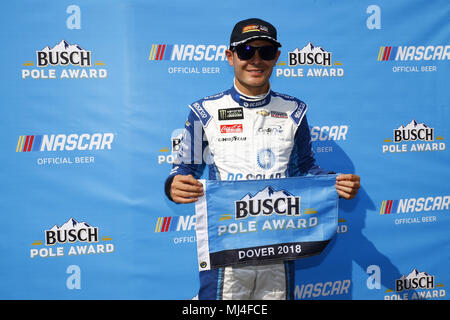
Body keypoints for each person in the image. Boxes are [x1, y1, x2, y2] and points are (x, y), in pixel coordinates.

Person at [164, 18, 360, 300]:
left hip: (277, 245)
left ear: (276, 57)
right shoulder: (204, 111)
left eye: (265, 52)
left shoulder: (295, 111)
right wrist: (173, 185)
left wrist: (333, 184)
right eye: (246, 51)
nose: (256, 60)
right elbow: (184, 168)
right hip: (226, 247)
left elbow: (304, 169)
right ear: (230, 56)